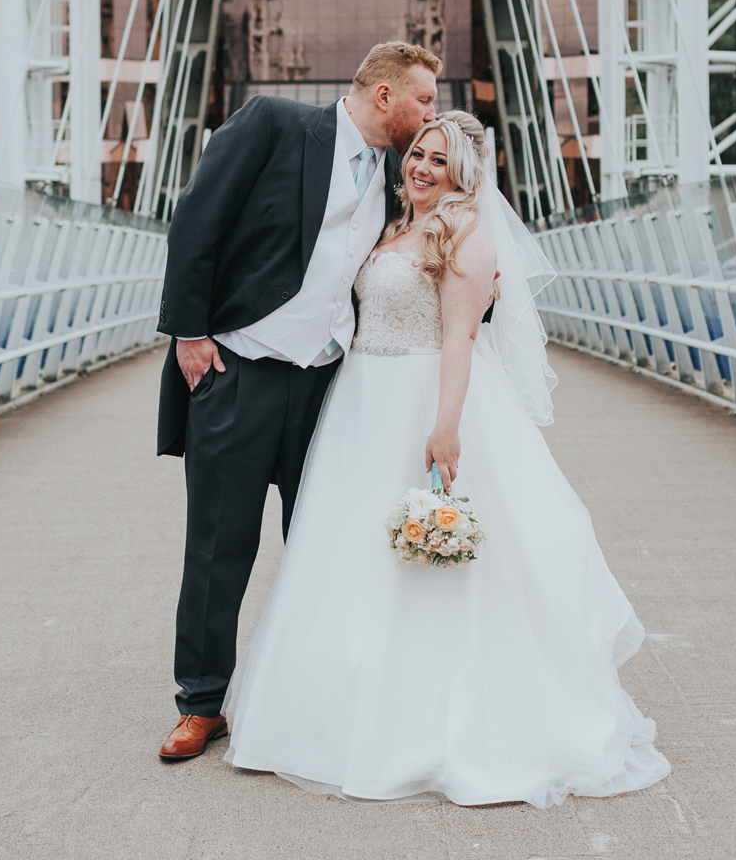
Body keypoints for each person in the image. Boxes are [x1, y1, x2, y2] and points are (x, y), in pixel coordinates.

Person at [220, 111, 671, 807]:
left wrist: (446, 426)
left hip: (425, 400)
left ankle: (435, 722)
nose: (423, 168)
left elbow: (459, 337)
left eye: (440, 161)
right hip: (362, 402)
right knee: (351, 553)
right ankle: (331, 708)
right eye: (419, 155)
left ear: (463, 174)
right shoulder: (391, 228)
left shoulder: (464, 230)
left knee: (434, 564)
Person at [154, 42, 441, 761]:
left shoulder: (394, 177)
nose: (431, 115)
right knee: (221, 546)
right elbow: (195, 220)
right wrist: (190, 334)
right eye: (424, 100)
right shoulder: (274, 124)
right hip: (239, 372)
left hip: (327, 386)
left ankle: (319, 691)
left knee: (325, 543)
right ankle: (201, 703)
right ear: (384, 97)